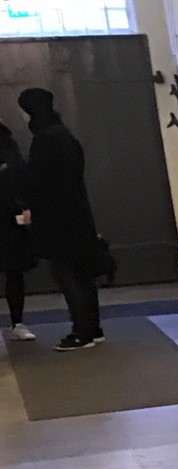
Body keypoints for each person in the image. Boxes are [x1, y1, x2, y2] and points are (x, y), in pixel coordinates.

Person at [17, 88, 104, 350]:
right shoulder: (65, 135)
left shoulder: (44, 139)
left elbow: (36, 179)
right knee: (83, 274)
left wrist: (23, 197)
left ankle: (81, 332)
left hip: (57, 219)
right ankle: (93, 328)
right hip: (77, 214)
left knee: (65, 273)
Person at [0, 122, 37, 341]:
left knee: (14, 271)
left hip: (8, 217)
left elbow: (19, 175)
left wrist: (24, 205)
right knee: (13, 271)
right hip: (9, 215)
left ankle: (17, 321)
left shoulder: (6, 142)